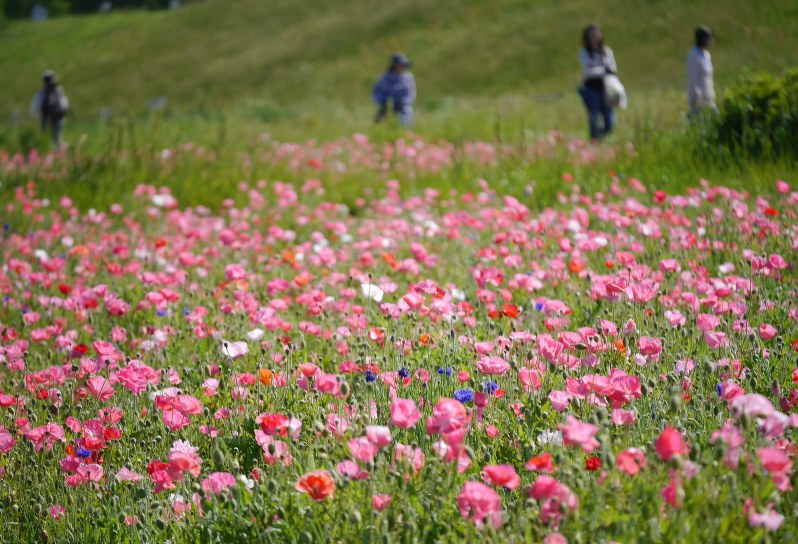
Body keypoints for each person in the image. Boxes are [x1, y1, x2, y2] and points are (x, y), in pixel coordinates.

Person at [578, 24, 617, 141]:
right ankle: (594, 141)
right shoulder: (584, 52)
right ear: (587, 37)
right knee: (594, 118)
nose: (595, 37)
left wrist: (597, 69)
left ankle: (603, 136)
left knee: (610, 120)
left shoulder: (607, 51)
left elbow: (613, 69)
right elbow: (588, 72)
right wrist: (604, 69)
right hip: (591, 89)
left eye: (597, 34)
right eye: (592, 35)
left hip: (608, 88)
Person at [373, 53, 416, 128]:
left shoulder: (408, 78)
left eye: (402, 65)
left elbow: (411, 94)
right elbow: (377, 92)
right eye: (399, 65)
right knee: (379, 123)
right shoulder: (384, 78)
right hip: (387, 107)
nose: (400, 67)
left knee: (405, 120)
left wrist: (403, 101)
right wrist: (384, 101)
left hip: (402, 107)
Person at [29, 70, 69, 148]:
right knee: (57, 136)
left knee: (44, 135)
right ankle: (59, 151)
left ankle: (47, 151)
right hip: (58, 117)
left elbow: (35, 106)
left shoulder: (42, 92)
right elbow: (64, 104)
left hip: (45, 116)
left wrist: (32, 115)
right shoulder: (59, 91)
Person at [687, 26, 717, 116]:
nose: (711, 41)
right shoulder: (694, 55)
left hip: (708, 93)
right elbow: (693, 75)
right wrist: (696, 93)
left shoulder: (706, 55)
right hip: (698, 95)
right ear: (703, 39)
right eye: (709, 38)